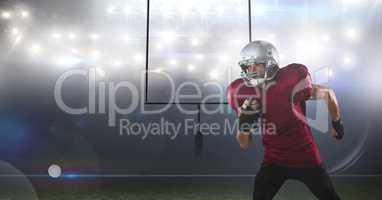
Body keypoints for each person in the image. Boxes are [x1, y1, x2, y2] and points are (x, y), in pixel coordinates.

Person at [226, 40, 345, 200]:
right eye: (247, 66)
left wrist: (337, 122)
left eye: (256, 65)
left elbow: (327, 93)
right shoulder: (242, 91)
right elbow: (244, 144)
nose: (251, 70)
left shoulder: (290, 80)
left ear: (270, 63)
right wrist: (244, 123)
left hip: (306, 157)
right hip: (273, 159)